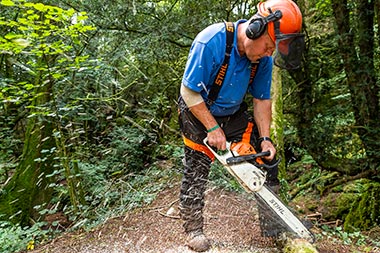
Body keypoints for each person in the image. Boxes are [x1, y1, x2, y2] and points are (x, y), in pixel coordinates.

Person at [177, 0, 305, 251]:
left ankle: (273, 228)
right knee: (196, 167)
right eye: (269, 46)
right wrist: (213, 129)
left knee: (266, 158)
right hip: (197, 111)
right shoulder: (211, 41)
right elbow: (188, 92)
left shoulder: (263, 59)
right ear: (255, 29)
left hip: (232, 113)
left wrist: (266, 138)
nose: (269, 53)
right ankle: (194, 230)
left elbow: (261, 99)